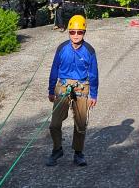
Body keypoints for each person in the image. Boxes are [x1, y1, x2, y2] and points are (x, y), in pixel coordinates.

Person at [47, 15, 98, 168]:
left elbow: (94, 74)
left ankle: (78, 152)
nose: (76, 35)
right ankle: (57, 149)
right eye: (73, 32)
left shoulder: (89, 51)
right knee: (54, 124)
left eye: (79, 32)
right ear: (69, 32)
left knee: (81, 124)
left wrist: (94, 94)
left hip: (82, 86)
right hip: (62, 86)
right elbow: (54, 69)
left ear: (84, 32)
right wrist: (51, 89)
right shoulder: (62, 48)